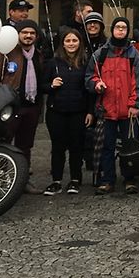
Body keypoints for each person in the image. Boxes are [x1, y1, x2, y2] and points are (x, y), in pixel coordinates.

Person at [88, 17, 139, 194]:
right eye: (118, 27)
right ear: (112, 30)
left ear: (127, 31)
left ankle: (129, 179)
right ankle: (107, 180)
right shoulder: (100, 54)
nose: (120, 30)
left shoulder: (134, 54)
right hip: (106, 109)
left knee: (129, 147)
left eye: (124, 28)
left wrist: (135, 104)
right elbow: (90, 76)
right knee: (107, 147)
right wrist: (96, 84)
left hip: (128, 110)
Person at [0, 20, 45, 193]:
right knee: (3, 143)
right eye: (24, 32)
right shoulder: (6, 53)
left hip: (31, 106)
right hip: (9, 107)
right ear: (18, 34)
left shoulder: (38, 55)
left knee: (25, 146)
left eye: (32, 33)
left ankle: (22, 180)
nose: (28, 36)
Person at [42, 29, 94, 196]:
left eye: (74, 40)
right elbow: (42, 85)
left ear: (80, 43)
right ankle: (56, 180)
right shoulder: (53, 63)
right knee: (57, 147)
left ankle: (75, 179)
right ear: (63, 44)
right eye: (68, 41)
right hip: (56, 111)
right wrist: (51, 85)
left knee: (76, 146)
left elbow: (89, 90)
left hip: (78, 111)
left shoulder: (86, 62)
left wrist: (90, 111)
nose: (71, 44)